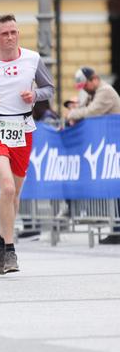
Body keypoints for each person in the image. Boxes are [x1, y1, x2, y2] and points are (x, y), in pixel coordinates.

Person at [0, 14, 55, 275]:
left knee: (15, 193)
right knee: (7, 188)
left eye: (13, 32)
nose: (10, 37)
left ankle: (1, 239)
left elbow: (50, 88)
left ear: (18, 33)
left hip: (23, 129)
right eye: (4, 33)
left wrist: (35, 95)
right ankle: (9, 250)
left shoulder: (32, 59)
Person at [67, 66, 120, 244]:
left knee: (115, 187)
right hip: (108, 148)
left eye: (85, 85)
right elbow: (83, 107)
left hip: (114, 147)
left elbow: (91, 112)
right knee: (112, 189)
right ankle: (115, 229)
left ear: (94, 79)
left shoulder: (104, 91)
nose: (84, 89)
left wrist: (73, 114)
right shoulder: (92, 92)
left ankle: (118, 229)